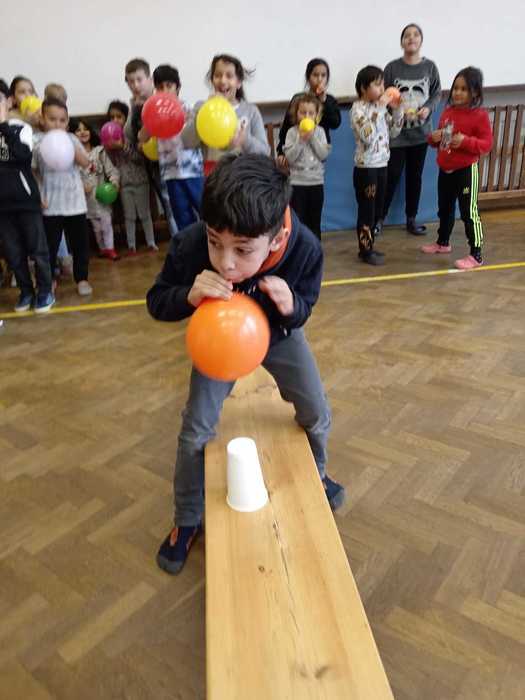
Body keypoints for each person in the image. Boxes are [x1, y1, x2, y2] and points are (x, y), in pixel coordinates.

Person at [147, 153, 345, 575]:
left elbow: (305, 305)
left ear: (275, 240)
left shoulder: (304, 247)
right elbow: (156, 301)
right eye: (215, 242)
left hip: (277, 334)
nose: (225, 262)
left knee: (317, 412)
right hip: (218, 343)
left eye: (242, 250)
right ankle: (187, 518)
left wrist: (292, 307)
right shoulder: (190, 244)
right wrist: (187, 296)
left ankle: (318, 474)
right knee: (195, 430)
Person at [422, 67, 492, 269]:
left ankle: (476, 254)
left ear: (475, 92)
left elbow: (486, 144)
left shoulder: (479, 115)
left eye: (464, 89)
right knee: (444, 208)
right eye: (455, 88)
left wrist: (466, 141)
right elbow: (439, 140)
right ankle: (443, 242)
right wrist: (433, 138)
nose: (458, 93)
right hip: (445, 170)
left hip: (466, 171)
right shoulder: (448, 112)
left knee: (469, 212)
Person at [380, 23, 441, 236]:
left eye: (415, 34)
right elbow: (383, 96)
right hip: (397, 134)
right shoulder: (391, 68)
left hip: (421, 135)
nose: (411, 38)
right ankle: (379, 219)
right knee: (391, 176)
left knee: (415, 178)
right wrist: (395, 110)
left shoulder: (430, 67)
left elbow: (436, 93)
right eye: (407, 35)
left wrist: (427, 108)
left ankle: (411, 219)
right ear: (402, 42)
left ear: (421, 40)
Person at [0, 79, 54, 313]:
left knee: (37, 249)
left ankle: (45, 291)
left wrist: (4, 126)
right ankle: (25, 291)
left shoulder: (20, 128)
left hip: (25, 200)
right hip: (2, 207)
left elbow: (22, 156)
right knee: (13, 253)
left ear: (9, 101)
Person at [32, 98, 93, 296]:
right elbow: (34, 172)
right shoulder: (37, 142)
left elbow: (86, 163)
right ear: (43, 119)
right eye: (52, 119)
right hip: (51, 205)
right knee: (49, 246)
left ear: (67, 122)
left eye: (62, 120)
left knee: (80, 244)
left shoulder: (72, 139)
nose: (57, 124)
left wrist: (71, 148)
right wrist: (38, 195)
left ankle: (82, 278)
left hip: (75, 203)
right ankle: (48, 280)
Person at [182, 53, 269, 175]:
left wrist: (245, 140)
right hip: (211, 177)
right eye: (217, 75)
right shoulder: (201, 107)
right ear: (212, 80)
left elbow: (265, 152)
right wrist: (202, 113)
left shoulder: (250, 111)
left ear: (238, 82)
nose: (222, 81)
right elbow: (185, 142)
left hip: (243, 177)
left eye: (229, 76)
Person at [351, 66, 404, 265]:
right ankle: (365, 251)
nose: (382, 88)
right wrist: (381, 108)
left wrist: (397, 109)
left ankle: (369, 246)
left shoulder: (379, 109)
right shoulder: (358, 110)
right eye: (377, 84)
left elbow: (394, 132)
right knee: (367, 210)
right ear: (363, 88)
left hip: (382, 164)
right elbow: (368, 136)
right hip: (366, 169)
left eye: (383, 84)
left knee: (377, 210)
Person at [124, 57, 173, 242]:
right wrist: (134, 109)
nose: (135, 85)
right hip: (152, 165)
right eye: (131, 81)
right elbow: (129, 134)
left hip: (172, 160)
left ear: (150, 80)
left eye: (139, 79)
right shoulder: (134, 105)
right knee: (167, 205)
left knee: (176, 205)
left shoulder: (160, 98)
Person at [149, 64, 204, 232]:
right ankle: (191, 245)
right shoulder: (155, 112)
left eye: (169, 86)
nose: (165, 90)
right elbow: (143, 135)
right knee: (182, 218)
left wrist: (190, 118)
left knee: (206, 211)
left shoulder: (188, 108)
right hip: (170, 174)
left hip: (193, 171)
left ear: (177, 87)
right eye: (160, 87)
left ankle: (211, 244)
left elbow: (201, 129)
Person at [105, 100, 157, 255]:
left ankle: (151, 243)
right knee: (129, 216)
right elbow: (112, 163)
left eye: (119, 117)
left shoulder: (131, 135)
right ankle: (131, 245)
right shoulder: (109, 139)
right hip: (125, 184)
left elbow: (139, 158)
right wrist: (110, 149)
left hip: (141, 181)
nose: (115, 120)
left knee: (145, 214)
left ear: (126, 118)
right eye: (112, 117)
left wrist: (123, 146)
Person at [277, 58, 341, 170]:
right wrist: (280, 152)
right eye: (315, 75)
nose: (319, 79)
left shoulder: (329, 100)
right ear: (308, 77)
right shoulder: (298, 99)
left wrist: (324, 100)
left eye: (323, 75)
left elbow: (335, 123)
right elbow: (286, 126)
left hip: (317, 152)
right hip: (297, 152)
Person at [71, 118, 120, 260]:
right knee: (96, 228)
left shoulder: (99, 151)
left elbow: (111, 170)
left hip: (103, 197)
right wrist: (81, 187)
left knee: (106, 223)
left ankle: (110, 249)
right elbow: (72, 177)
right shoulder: (73, 155)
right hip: (87, 201)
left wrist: (114, 182)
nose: (82, 132)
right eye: (78, 130)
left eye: (85, 129)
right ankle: (102, 249)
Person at [283, 93, 331, 239]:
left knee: (314, 221)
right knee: (299, 221)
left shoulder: (320, 132)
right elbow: (289, 158)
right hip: (297, 184)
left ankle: (315, 247)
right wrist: (301, 140)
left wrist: (312, 138)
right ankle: (299, 248)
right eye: (303, 112)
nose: (306, 116)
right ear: (296, 114)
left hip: (316, 183)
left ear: (317, 115)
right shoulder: (292, 133)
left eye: (311, 113)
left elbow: (323, 155)